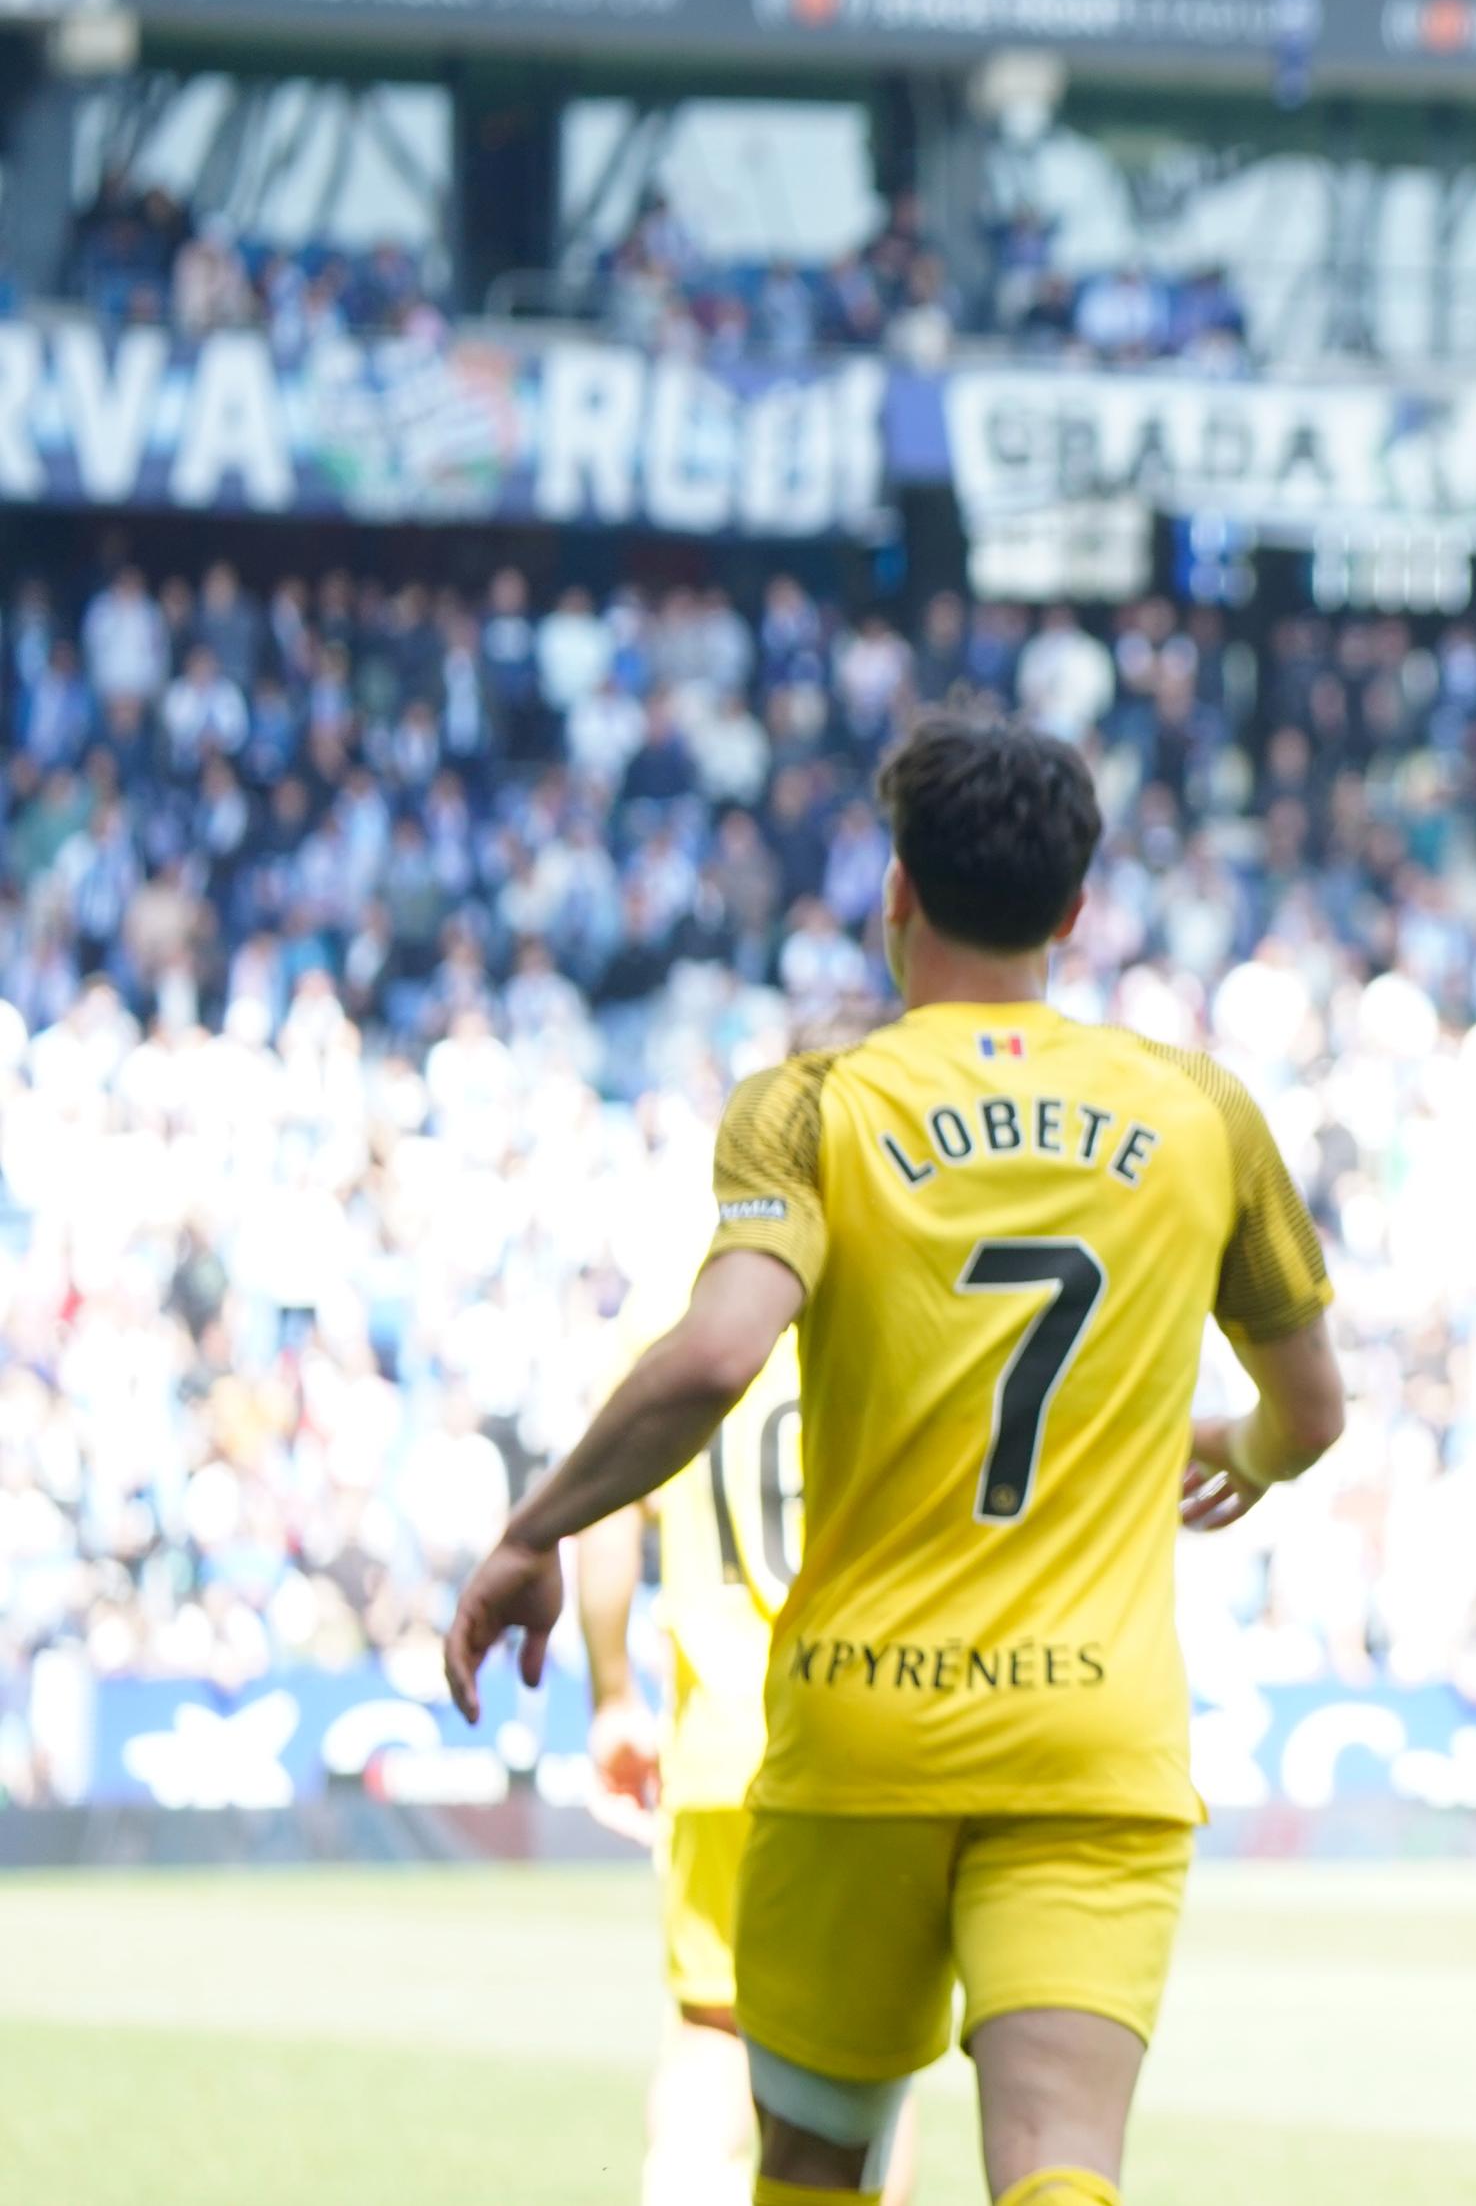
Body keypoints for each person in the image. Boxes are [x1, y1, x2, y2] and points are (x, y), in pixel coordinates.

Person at [445, 711, 1350, 2206]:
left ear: (894, 894)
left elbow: (719, 1354)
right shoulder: (1201, 1112)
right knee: (1061, 2171)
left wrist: (535, 1529)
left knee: (813, 2167)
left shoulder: (813, 1109)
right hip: (1090, 1741)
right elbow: (1312, 1411)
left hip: (860, 1732)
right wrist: (1239, 1450)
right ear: (1074, 912)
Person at [571, 1268, 923, 2206]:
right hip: (866, 1743)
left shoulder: (678, 1299)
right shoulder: (897, 1271)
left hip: (720, 1745)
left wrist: (613, 1695)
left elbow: (603, 1509)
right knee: (874, 2061)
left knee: (709, 2036)